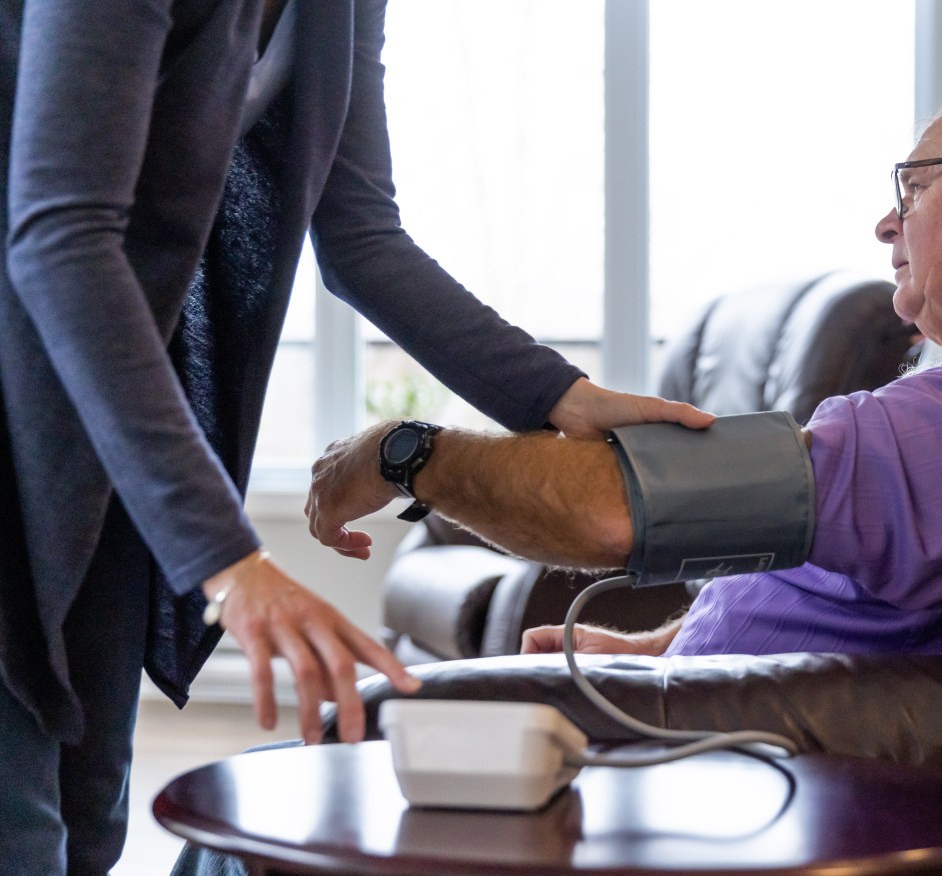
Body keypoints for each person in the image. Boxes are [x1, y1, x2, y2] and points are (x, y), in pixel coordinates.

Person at [0, 1, 709, 873]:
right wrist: (230, 558)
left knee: (83, 824)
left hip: (95, 440)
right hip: (32, 393)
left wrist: (560, 393)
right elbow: (60, 238)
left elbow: (363, 238)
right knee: (20, 834)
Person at [307, 81, 942, 666]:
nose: (885, 222)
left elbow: (607, 511)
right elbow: (857, 591)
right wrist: (672, 643)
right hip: (726, 703)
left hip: (736, 750)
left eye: (912, 186)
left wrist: (402, 450)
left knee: (343, 745)